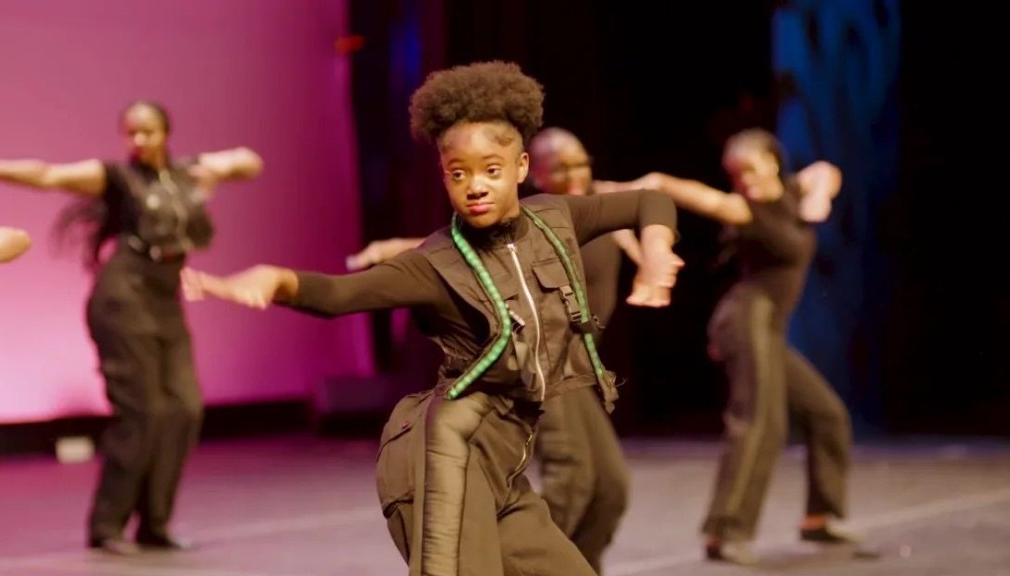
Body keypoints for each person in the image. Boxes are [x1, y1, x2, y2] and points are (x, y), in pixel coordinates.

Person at [180, 61, 683, 575]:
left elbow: (652, 202)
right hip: (448, 461)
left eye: (491, 169)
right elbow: (337, 295)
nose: (476, 186)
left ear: (521, 167)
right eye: (458, 174)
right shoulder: (434, 265)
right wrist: (279, 280)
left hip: (504, 470)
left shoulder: (556, 218)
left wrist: (659, 254)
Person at [346, 126, 648, 573]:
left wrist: (653, 251)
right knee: (574, 478)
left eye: (581, 162)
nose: (575, 173)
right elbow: (454, 252)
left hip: (576, 370)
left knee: (611, 488)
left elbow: (648, 202)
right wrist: (392, 249)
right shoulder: (529, 221)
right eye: (562, 168)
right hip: (539, 369)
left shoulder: (589, 208)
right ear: (535, 173)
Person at [0, 101, 263, 555]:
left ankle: (155, 521)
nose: (139, 140)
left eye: (149, 132)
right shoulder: (115, 178)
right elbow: (45, 174)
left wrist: (219, 167)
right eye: (132, 133)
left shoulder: (186, 173)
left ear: (166, 133)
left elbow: (250, 162)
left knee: (186, 408)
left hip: (165, 295)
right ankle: (107, 525)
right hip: (122, 296)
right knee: (143, 412)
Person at [610, 128, 857, 565]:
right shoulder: (745, 209)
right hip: (746, 320)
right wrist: (653, 185)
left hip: (769, 328)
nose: (745, 181)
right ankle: (725, 532)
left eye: (751, 169)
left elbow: (826, 172)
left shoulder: (793, 192)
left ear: (773, 161)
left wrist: (820, 197)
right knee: (759, 422)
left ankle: (820, 517)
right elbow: (703, 197)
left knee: (826, 414)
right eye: (736, 175)